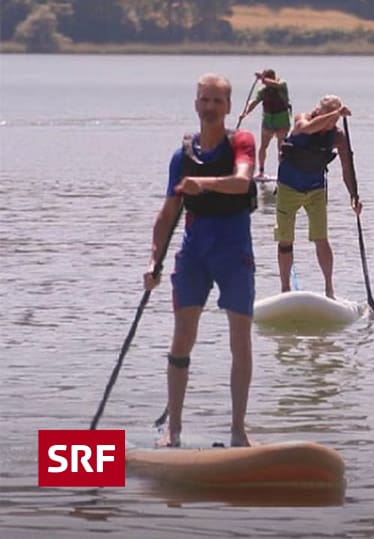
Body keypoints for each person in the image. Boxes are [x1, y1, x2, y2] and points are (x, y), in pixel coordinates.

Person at [144, 73, 257, 448]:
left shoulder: (241, 142)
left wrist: (203, 185)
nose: (210, 107)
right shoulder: (182, 157)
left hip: (233, 251)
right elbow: (166, 214)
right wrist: (153, 262)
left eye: (217, 101)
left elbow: (242, 182)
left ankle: (238, 430)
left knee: (240, 342)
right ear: (196, 104)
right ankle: (173, 431)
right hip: (194, 254)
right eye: (204, 100)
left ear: (227, 107)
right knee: (183, 339)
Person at [275, 94, 361, 297]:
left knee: (321, 238)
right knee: (285, 240)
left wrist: (354, 196)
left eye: (335, 120)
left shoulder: (338, 135)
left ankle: (329, 289)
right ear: (317, 112)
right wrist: (335, 114)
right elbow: (307, 129)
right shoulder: (301, 119)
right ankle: (285, 289)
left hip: (315, 189)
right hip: (288, 187)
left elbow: (347, 167)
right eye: (328, 117)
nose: (331, 123)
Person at [239, 68, 291, 178]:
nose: (264, 82)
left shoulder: (282, 84)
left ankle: (283, 172)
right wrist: (245, 112)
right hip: (268, 121)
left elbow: (276, 84)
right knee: (263, 146)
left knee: (281, 148)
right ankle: (261, 171)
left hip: (282, 120)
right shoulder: (263, 91)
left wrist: (263, 78)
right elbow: (254, 102)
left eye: (266, 79)